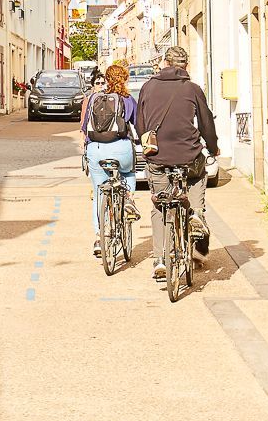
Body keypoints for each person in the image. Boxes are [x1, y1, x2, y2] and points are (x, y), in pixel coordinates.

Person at [134, 46, 220, 280]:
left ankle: (160, 259)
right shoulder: (192, 89)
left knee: (159, 205)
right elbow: (206, 123)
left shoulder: (148, 87)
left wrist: (147, 147)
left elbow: (139, 123)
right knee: (197, 176)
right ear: (186, 66)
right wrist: (213, 148)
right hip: (188, 155)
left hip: (158, 157)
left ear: (164, 63)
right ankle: (195, 214)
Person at [80, 64, 138, 252]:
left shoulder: (95, 98)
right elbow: (139, 124)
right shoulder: (128, 99)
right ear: (125, 79)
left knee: (98, 192)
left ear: (106, 79)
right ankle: (128, 199)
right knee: (128, 172)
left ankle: (99, 237)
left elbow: (84, 128)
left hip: (95, 150)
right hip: (121, 148)